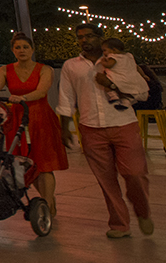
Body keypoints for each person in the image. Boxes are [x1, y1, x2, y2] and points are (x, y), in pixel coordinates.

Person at [58, 23, 153, 238]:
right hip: (91, 128)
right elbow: (66, 98)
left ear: (101, 38)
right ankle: (119, 224)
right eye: (80, 37)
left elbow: (141, 92)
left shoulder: (121, 60)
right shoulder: (71, 66)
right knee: (106, 180)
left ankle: (143, 211)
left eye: (89, 36)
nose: (84, 40)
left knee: (135, 174)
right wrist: (64, 129)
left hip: (123, 123)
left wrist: (112, 85)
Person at [0, 32, 67, 217]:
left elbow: (41, 91)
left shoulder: (44, 69)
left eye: (25, 47)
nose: (22, 50)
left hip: (40, 118)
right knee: (23, 163)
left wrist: (23, 97)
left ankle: (48, 205)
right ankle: (46, 200)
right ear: (13, 50)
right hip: (18, 119)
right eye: (18, 47)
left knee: (44, 164)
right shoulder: (6, 69)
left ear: (32, 50)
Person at [96, 38, 139, 110]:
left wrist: (103, 62)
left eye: (104, 50)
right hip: (130, 78)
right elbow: (136, 67)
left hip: (118, 77)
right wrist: (143, 75)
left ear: (114, 50)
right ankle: (125, 103)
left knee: (105, 84)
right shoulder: (129, 56)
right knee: (125, 96)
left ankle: (113, 96)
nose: (103, 53)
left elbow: (109, 64)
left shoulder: (113, 57)